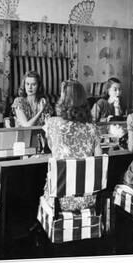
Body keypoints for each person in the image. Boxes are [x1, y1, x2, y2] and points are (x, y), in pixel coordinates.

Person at [42, 81, 103, 211]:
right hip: (88, 199)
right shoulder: (93, 128)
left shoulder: (52, 124)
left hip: (59, 199)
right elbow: (99, 161)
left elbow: (53, 149)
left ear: (63, 99)